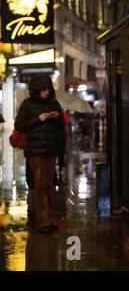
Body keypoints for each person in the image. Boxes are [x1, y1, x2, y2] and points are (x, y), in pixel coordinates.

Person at [15, 75, 66, 234]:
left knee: (49, 185)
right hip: (35, 152)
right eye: (43, 89)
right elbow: (20, 126)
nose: (46, 92)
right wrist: (38, 119)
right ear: (37, 90)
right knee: (40, 185)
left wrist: (57, 118)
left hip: (51, 150)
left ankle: (50, 219)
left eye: (48, 89)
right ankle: (42, 221)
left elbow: (62, 127)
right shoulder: (28, 105)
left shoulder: (54, 104)